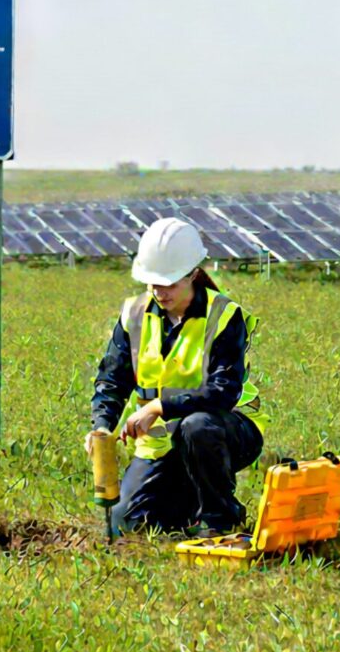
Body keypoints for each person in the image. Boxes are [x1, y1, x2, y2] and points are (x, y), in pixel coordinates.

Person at [86, 217, 267, 537]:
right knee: (124, 526)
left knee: (197, 427)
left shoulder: (224, 315)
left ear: (193, 274)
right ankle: (184, 503)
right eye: (152, 283)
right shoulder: (134, 314)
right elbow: (112, 380)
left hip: (224, 431)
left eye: (169, 283)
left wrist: (158, 407)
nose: (159, 291)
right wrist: (101, 426)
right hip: (159, 443)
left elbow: (223, 392)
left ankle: (218, 517)